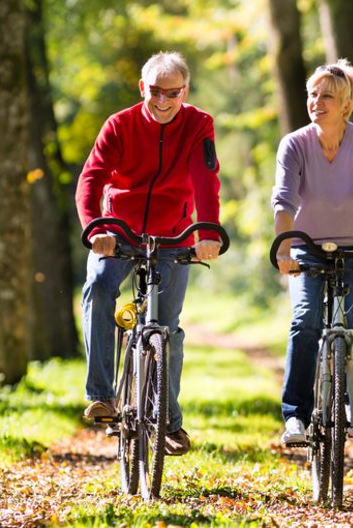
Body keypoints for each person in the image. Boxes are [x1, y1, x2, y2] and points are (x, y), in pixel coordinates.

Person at [75, 50, 222, 456]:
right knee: (100, 286)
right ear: (143, 88)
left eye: (172, 93)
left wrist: (207, 231)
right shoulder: (119, 125)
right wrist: (96, 228)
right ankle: (102, 394)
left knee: (167, 329)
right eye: (155, 91)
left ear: (185, 91)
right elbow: (92, 179)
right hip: (116, 231)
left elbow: (205, 179)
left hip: (173, 234)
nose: (162, 101)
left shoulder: (198, 124)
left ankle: (169, 423)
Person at [271, 59, 353, 445]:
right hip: (307, 250)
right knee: (305, 320)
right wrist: (284, 247)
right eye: (312, 94)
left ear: (345, 105)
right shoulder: (294, 144)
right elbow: (284, 201)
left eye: (326, 95)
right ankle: (295, 416)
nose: (316, 101)